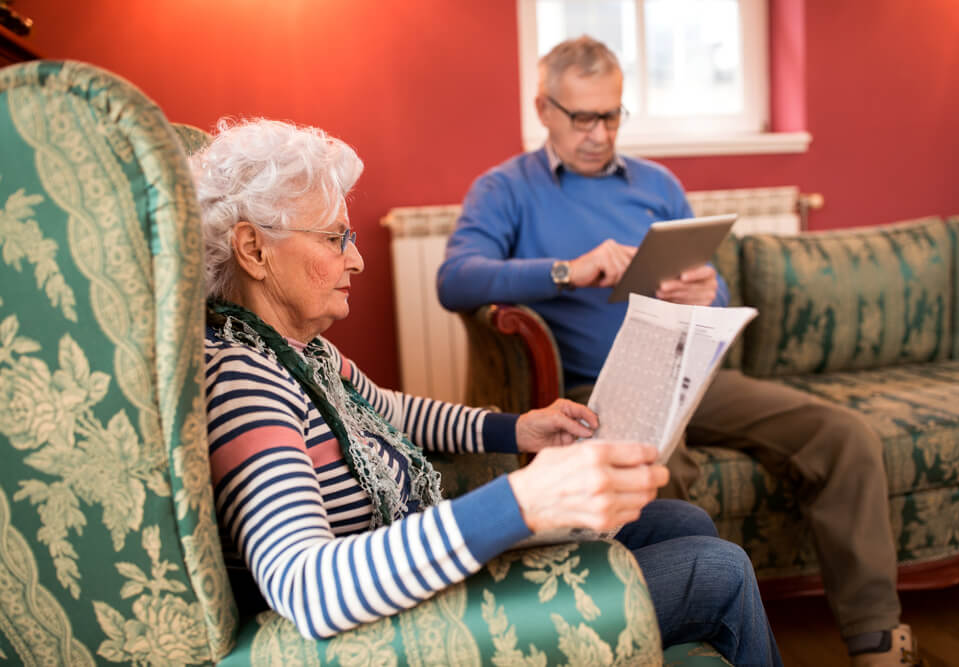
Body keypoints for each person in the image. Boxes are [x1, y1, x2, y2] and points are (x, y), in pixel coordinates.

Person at [190, 117, 782, 665]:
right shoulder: (245, 380)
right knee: (720, 569)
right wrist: (521, 501)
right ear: (253, 249)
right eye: (334, 239)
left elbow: (389, 409)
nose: (358, 260)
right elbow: (309, 588)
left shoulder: (296, 351)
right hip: (408, 628)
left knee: (682, 521)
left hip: (418, 576)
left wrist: (518, 427)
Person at [437, 36, 924, 667]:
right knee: (671, 476)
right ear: (544, 109)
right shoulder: (505, 189)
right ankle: (686, 632)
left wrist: (707, 288)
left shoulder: (656, 184)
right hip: (590, 388)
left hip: (691, 372)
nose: (599, 132)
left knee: (842, 434)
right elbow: (457, 279)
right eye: (583, 116)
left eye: (611, 114)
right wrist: (566, 271)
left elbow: (710, 282)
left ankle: (875, 640)